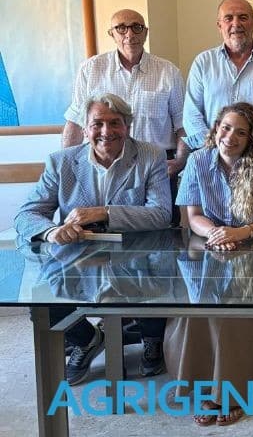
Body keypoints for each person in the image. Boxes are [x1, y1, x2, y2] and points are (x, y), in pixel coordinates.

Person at [15, 93, 171, 385]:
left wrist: (104, 212)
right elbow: (27, 214)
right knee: (40, 297)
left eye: (115, 123)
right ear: (85, 129)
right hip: (79, 258)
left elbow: (161, 214)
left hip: (135, 256)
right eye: (97, 123)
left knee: (163, 277)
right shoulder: (61, 162)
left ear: (127, 127)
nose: (106, 131)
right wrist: (51, 231)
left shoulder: (151, 156)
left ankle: (152, 338)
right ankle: (86, 338)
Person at [166, 102, 253, 426]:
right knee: (198, 303)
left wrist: (240, 232)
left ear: (252, 138)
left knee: (234, 310)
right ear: (216, 128)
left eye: (241, 132)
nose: (230, 137)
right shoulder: (197, 160)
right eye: (225, 128)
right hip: (212, 246)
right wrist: (216, 234)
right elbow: (193, 215)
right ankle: (203, 383)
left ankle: (231, 391)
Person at [63, 9, 188, 177]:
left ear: (145, 33)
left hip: (157, 165)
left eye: (137, 27)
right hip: (103, 165)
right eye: (121, 28)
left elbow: (183, 123)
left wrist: (180, 161)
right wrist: (68, 166)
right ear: (112, 34)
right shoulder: (90, 69)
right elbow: (75, 122)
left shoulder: (169, 72)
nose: (129, 34)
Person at [183, 0, 253, 149]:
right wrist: (214, 150)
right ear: (219, 25)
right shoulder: (203, 62)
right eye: (228, 18)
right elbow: (191, 114)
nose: (236, 24)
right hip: (211, 155)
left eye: (243, 17)